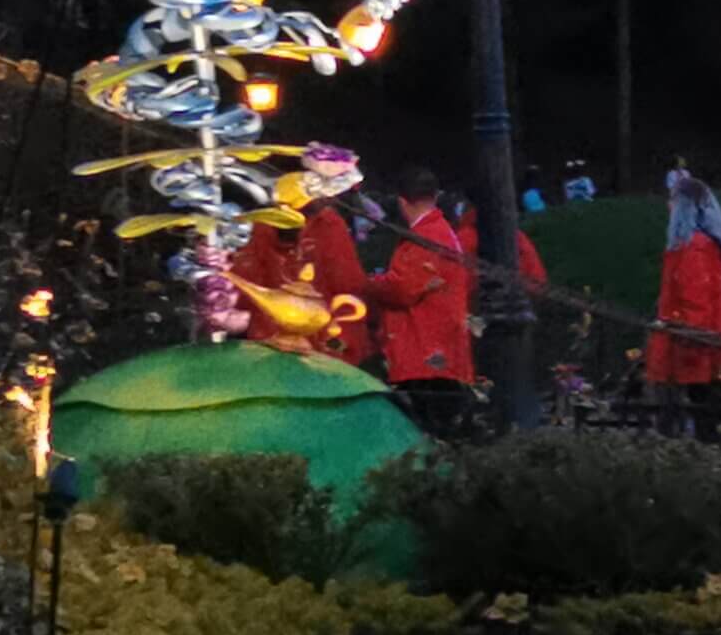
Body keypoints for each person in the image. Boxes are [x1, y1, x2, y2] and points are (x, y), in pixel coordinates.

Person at [362, 170, 472, 436]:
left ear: (402, 202)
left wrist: (367, 282)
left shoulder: (427, 235)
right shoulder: (439, 231)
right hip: (436, 348)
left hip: (424, 349)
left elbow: (402, 288)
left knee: (428, 427)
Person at [644, 162, 721, 400]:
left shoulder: (692, 247)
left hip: (695, 341)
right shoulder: (720, 244)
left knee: (694, 399)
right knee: (716, 398)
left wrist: (691, 337)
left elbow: (695, 295)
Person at [227, 192, 373, 364]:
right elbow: (349, 283)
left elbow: (240, 291)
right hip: (318, 341)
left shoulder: (262, 224)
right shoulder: (327, 224)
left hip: (267, 341)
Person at [447, 194, 547, 291]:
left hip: (483, 296)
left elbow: (458, 283)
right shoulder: (515, 234)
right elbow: (537, 276)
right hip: (522, 294)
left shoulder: (464, 237)